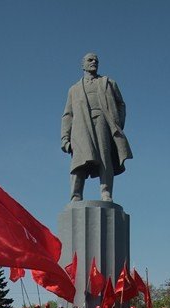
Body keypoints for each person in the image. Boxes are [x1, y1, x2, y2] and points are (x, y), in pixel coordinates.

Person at [61, 52, 132, 202]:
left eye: (96, 60)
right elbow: (68, 115)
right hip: (81, 128)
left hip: (102, 123)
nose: (94, 62)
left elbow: (121, 104)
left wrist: (117, 123)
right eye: (90, 60)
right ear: (83, 65)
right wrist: (65, 139)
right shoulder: (74, 89)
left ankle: (106, 192)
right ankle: (76, 195)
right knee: (79, 161)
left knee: (105, 158)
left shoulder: (108, 83)